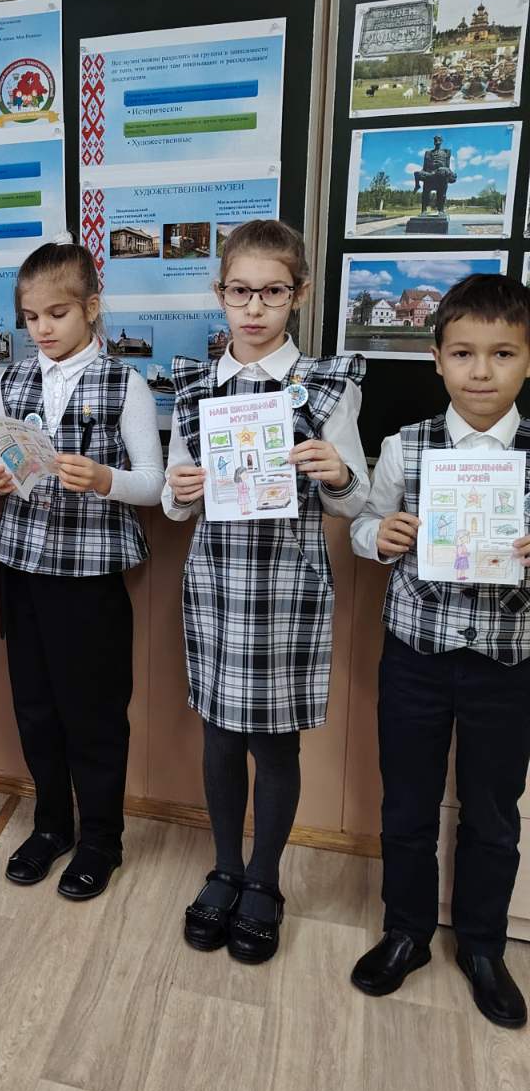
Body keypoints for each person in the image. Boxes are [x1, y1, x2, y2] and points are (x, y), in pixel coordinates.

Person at [164, 219, 368, 962]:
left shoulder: (328, 386)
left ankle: (264, 878)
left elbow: (353, 500)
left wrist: (337, 473)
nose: (255, 308)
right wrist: (181, 489)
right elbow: (175, 502)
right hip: (218, 581)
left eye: (273, 293)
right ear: (219, 292)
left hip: (288, 585)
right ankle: (225, 867)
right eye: (241, 292)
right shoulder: (195, 386)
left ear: (299, 294)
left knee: (275, 742)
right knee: (219, 735)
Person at [349, 274, 530, 1028]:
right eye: (463, 353)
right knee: (407, 803)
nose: (481, 371)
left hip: (507, 666)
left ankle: (483, 945)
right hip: (415, 659)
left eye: (502, 354)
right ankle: (407, 931)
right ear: (437, 359)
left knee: (492, 812)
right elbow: (364, 527)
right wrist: (381, 537)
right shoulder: (405, 446)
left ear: (527, 360)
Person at [0, 240, 164, 901]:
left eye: (57, 313)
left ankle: (102, 839)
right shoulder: (13, 380)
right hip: (23, 564)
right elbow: (10, 466)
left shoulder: (124, 383)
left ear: (91, 307)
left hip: (90, 574)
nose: (43, 329)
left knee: (94, 713)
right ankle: (52, 824)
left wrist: (105, 479)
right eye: (31, 317)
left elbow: (154, 484)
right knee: (35, 707)